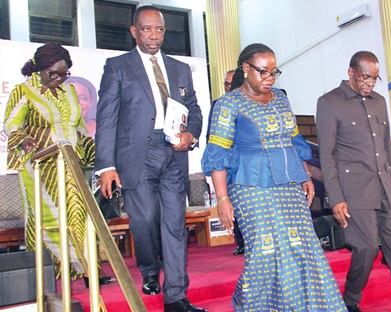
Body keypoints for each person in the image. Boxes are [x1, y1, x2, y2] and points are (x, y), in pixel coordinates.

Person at [201, 43, 346, 311]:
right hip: (250, 186)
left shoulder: (280, 97)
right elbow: (218, 153)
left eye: (273, 73)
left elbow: (293, 138)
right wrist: (222, 199)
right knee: (265, 253)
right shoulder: (228, 103)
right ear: (245, 68)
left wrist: (304, 174)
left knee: (304, 248)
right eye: (263, 72)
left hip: (289, 183)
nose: (269, 79)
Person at [94, 5, 205, 312]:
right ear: (134, 31)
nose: (153, 35)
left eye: (159, 29)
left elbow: (193, 109)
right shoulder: (118, 66)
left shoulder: (180, 69)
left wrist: (191, 135)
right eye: (146, 29)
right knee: (144, 221)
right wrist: (106, 165)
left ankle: (176, 296)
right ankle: (149, 269)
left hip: (174, 151)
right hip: (136, 155)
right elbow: (106, 120)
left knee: (173, 223)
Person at [316, 51, 391, 312]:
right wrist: (336, 198)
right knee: (365, 250)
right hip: (354, 193)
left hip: (385, 189)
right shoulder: (329, 102)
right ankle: (350, 300)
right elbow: (327, 156)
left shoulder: (379, 102)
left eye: (375, 78)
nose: (370, 84)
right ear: (351, 72)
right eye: (365, 77)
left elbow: (385, 147)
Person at [3, 43, 115, 286]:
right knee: (48, 219)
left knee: (80, 214)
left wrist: (97, 151)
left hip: (72, 164)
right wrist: (23, 139)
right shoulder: (23, 91)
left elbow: (78, 126)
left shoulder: (68, 91)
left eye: (64, 74)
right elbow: (11, 124)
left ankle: (88, 270)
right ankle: (46, 272)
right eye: (54, 73)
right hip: (41, 166)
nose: (59, 78)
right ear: (40, 69)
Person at [206, 69, 244, 255]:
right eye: (226, 84)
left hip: (246, 159)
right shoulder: (219, 105)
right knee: (231, 200)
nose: (229, 87)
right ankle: (240, 241)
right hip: (226, 161)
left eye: (232, 83)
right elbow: (212, 136)